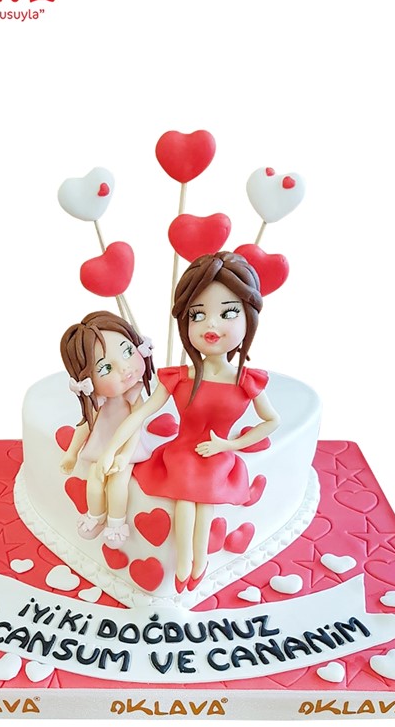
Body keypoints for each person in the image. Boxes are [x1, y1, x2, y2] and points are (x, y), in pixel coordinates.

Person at [97, 252, 279, 592]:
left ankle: (199, 562)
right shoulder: (180, 377)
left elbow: (271, 421)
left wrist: (229, 444)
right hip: (182, 452)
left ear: (249, 318)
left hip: (218, 454)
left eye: (228, 313)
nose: (211, 326)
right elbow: (141, 413)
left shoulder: (247, 380)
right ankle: (184, 565)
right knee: (186, 498)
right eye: (198, 315)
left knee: (204, 499)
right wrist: (112, 451)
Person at [59, 311, 154, 545]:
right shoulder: (99, 400)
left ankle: (116, 523)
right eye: (105, 368)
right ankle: (96, 516)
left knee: (118, 483)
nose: (124, 368)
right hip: (102, 443)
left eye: (128, 351)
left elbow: (136, 425)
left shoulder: (134, 394)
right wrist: (71, 452)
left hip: (126, 446)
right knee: (95, 480)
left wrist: (125, 455)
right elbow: (87, 424)